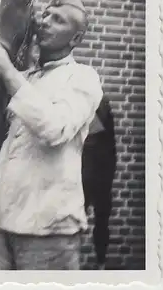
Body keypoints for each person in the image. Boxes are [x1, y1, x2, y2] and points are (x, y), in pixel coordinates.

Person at [0, 0, 103, 270]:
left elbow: (55, 128)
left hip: (48, 232)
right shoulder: (25, 77)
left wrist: (8, 73)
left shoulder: (83, 78)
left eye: (58, 19)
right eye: (45, 15)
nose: (45, 21)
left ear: (77, 38)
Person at [82, 94, 117, 269]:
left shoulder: (100, 103)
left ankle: (100, 264)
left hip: (100, 174)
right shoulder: (83, 103)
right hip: (86, 173)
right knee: (78, 220)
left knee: (101, 222)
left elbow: (110, 146)